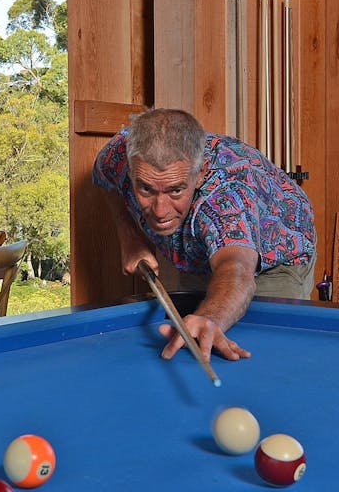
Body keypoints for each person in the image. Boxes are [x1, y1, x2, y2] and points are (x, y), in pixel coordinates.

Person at [94, 107, 317, 361]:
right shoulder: (117, 154)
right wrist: (130, 240)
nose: (160, 210)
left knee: (265, 355)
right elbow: (105, 179)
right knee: (194, 337)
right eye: (146, 189)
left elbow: (236, 271)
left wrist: (210, 317)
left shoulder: (227, 197)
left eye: (175, 191)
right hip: (200, 253)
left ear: (200, 174)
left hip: (278, 253)